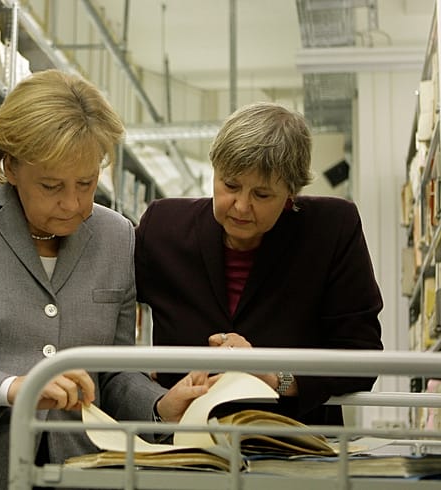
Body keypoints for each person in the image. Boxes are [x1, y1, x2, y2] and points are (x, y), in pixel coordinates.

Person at [0, 69, 211, 490]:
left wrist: (160, 407)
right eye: (51, 185)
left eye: (86, 183)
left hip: (75, 471)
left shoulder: (117, 236)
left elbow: (114, 374)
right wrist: (11, 389)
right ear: (10, 166)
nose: (74, 204)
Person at [134, 101, 384, 426]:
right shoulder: (162, 226)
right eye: (230, 185)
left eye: (262, 195)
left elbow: (361, 355)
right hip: (185, 445)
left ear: (290, 195)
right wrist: (143, 378)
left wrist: (277, 377)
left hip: (295, 446)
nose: (240, 206)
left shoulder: (332, 229)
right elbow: (107, 317)